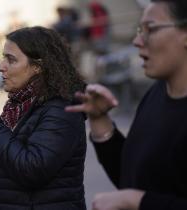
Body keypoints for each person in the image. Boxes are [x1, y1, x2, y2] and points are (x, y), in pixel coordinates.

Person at [66, 0, 187, 209]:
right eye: (140, 30)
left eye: (151, 29)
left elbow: (136, 194)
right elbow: (133, 178)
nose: (137, 40)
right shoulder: (156, 93)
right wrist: (100, 120)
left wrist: (137, 201)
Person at [0, 26, 87, 210]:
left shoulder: (62, 110)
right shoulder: (22, 103)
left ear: (37, 67)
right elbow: (18, 154)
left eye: (11, 60)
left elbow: (32, 169)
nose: (1, 67)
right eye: (4, 57)